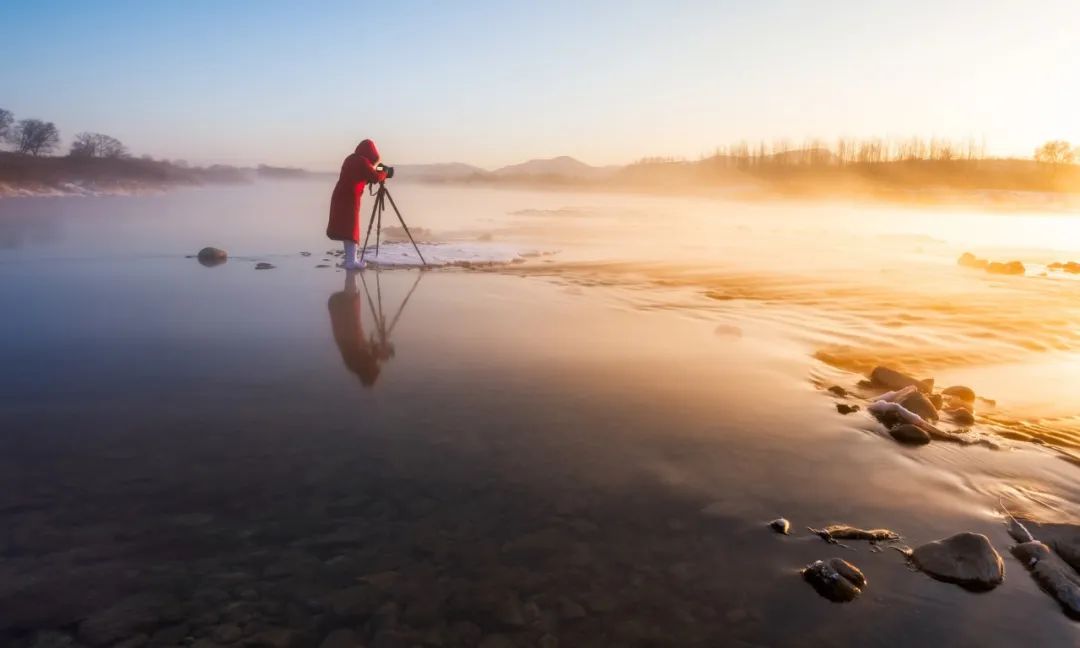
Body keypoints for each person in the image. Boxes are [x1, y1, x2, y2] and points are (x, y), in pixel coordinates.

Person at [326, 139, 388, 270]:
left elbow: (360, 175)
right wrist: (384, 172)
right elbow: (375, 178)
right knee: (351, 229)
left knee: (346, 229)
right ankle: (351, 261)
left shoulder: (351, 159)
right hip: (349, 198)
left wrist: (376, 171)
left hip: (340, 196)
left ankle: (349, 259)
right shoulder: (362, 161)